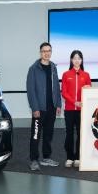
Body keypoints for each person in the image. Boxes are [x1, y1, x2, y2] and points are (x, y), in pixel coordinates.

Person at [26, 42, 62, 171]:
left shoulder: (53, 68)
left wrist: (58, 104)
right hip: (39, 109)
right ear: (40, 52)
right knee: (36, 135)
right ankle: (33, 160)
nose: (47, 53)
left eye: (49, 51)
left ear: (51, 52)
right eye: (44, 51)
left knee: (48, 134)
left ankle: (46, 157)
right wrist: (34, 108)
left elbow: (57, 87)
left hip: (51, 108)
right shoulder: (33, 69)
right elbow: (30, 90)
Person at [61, 50, 92, 168]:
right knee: (69, 134)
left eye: (79, 58)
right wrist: (74, 102)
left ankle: (78, 157)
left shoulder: (86, 75)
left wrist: (88, 89)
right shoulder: (66, 74)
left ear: (82, 60)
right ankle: (69, 157)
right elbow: (64, 93)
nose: (77, 60)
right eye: (74, 58)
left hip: (81, 110)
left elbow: (90, 91)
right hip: (69, 109)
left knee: (80, 133)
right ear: (71, 60)